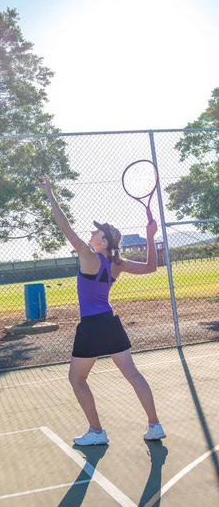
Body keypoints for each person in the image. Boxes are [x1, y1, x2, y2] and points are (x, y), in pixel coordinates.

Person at [41, 174, 166, 445]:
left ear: (105, 240)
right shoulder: (117, 263)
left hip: (92, 326)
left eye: (96, 231)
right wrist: (150, 236)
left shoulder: (89, 256)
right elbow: (151, 267)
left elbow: (64, 227)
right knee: (133, 374)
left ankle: (97, 432)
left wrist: (50, 193)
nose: (91, 232)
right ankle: (155, 425)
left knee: (76, 379)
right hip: (110, 323)